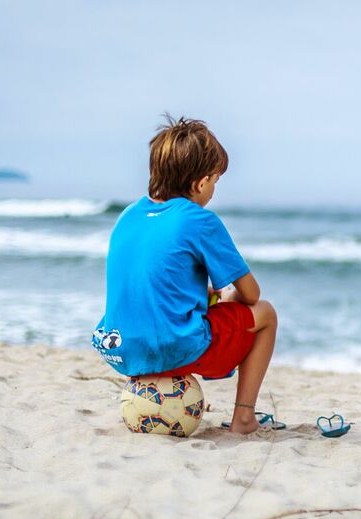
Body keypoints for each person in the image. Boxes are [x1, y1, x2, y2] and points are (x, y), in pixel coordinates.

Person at [93, 114, 278, 435]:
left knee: (200, 306)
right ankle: (244, 417)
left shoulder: (129, 214)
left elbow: (156, 283)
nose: (213, 191)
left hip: (120, 348)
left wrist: (207, 295)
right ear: (201, 182)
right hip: (172, 347)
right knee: (266, 314)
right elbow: (251, 294)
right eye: (215, 181)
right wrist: (229, 296)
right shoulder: (199, 219)